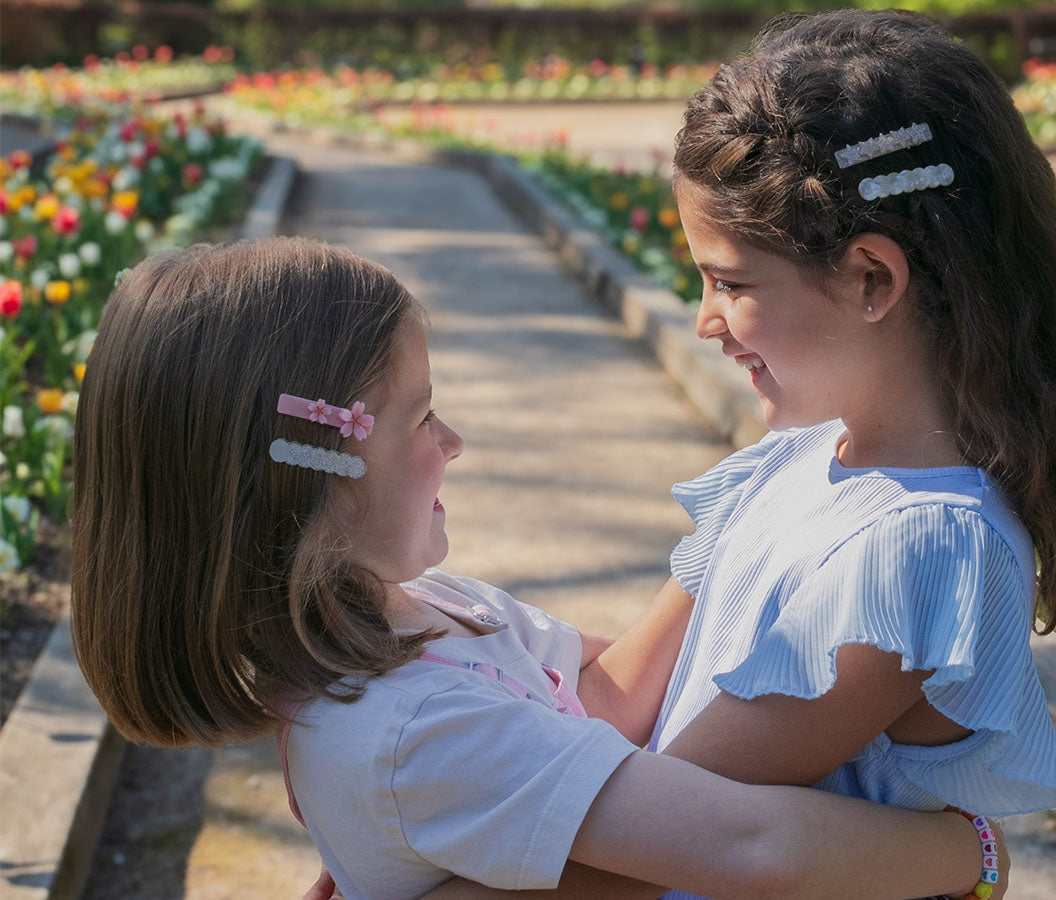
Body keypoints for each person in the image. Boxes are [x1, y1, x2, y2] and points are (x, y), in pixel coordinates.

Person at [410, 8, 1056, 900]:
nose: (706, 318)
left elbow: (676, 832)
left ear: (872, 278)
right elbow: (617, 697)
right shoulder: (791, 461)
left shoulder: (923, 553)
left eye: (730, 282)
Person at [71, 237, 1006, 900]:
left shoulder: (424, 616)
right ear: (309, 482)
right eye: (421, 419)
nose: (454, 441)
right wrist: (970, 854)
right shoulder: (415, 729)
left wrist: (749, 518)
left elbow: (606, 694)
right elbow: (751, 845)